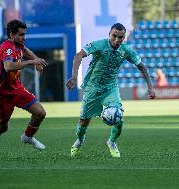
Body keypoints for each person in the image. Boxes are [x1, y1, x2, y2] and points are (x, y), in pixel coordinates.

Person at [66, 23, 156, 158]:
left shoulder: (126, 50)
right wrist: (74, 77)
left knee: (118, 117)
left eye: (121, 37)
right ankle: (80, 139)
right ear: (109, 34)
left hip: (110, 88)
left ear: (124, 37)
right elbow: (79, 56)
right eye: (114, 36)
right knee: (84, 122)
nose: (117, 40)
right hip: (93, 88)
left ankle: (112, 142)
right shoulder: (99, 45)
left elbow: (142, 67)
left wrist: (150, 87)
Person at [0, 19, 48, 160]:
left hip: (16, 89)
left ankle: (27, 137)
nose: (24, 37)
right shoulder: (7, 47)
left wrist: (36, 60)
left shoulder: (19, 44)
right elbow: (8, 66)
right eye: (21, 35)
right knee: (2, 128)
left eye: (24, 34)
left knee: (40, 113)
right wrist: (31, 62)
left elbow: (25, 50)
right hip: (2, 95)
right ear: (11, 34)